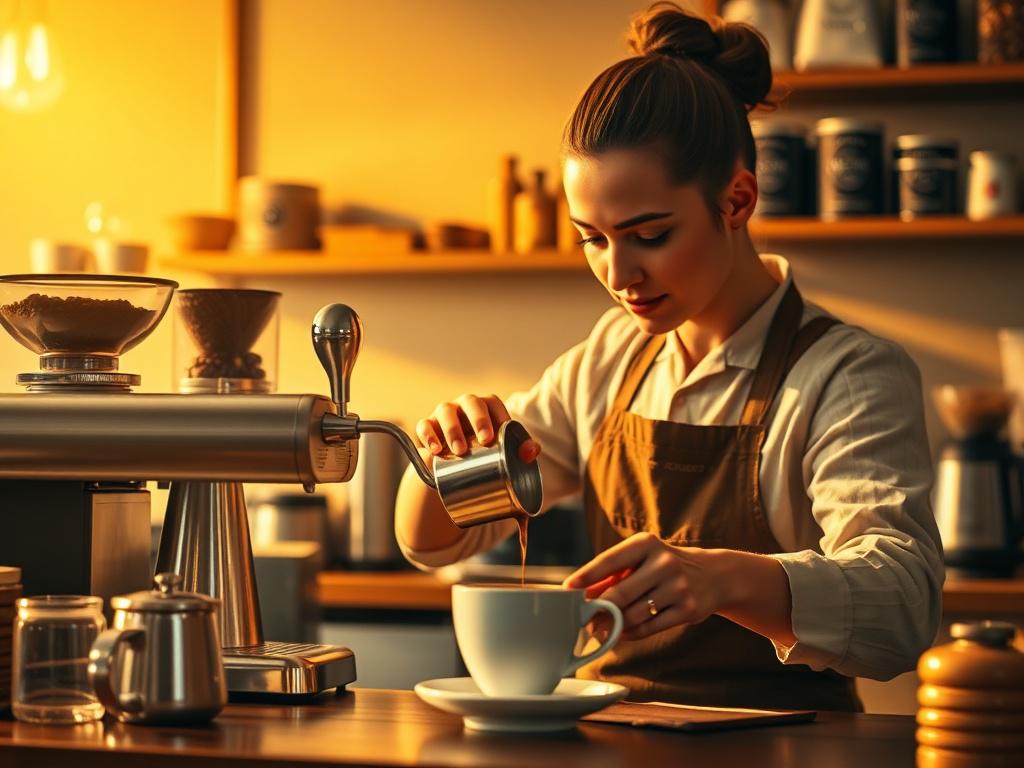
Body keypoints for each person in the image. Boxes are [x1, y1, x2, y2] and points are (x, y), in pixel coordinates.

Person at [394, 2, 943, 711]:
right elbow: (432, 544)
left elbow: (903, 609)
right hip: (611, 742)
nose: (619, 275)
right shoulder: (609, 360)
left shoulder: (849, 374)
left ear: (737, 199)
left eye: (649, 234)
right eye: (592, 237)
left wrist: (723, 580)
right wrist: (444, 457)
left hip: (785, 749)